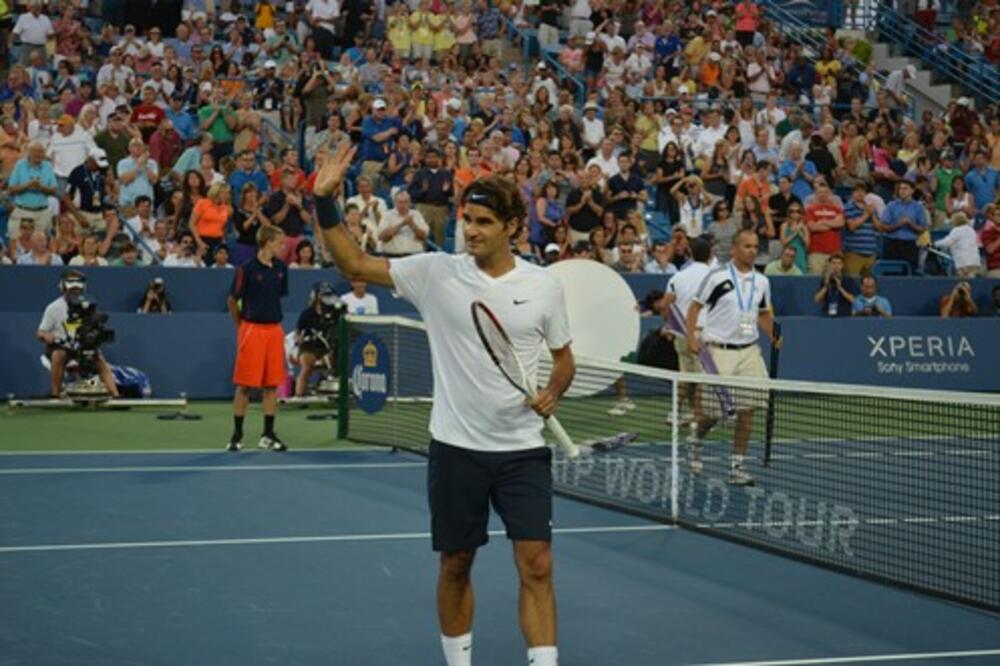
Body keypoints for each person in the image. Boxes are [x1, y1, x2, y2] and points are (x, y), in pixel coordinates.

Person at [313, 143, 574, 666]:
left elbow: (563, 359)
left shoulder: (544, 286)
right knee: (455, 564)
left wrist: (554, 390)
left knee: (538, 565)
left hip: (522, 451)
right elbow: (353, 261)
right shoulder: (435, 272)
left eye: (483, 222)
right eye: (467, 219)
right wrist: (323, 201)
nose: (470, 230)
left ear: (511, 226)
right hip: (456, 449)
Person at [685, 230, 779, 486]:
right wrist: (692, 337)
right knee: (714, 413)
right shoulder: (717, 277)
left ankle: (736, 467)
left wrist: (772, 333)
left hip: (749, 351)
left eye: (755, 247)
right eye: (747, 246)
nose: (752, 251)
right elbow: (694, 307)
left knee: (747, 411)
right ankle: (696, 439)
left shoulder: (762, 281)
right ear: (734, 249)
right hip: (718, 351)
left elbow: (762, 313)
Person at [226, 225, 290, 453]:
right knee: (244, 385)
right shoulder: (246, 269)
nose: (283, 246)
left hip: (274, 331)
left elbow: (277, 297)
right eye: (279, 242)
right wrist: (241, 327)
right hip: (251, 330)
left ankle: (268, 435)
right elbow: (232, 301)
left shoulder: (281, 269)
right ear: (268, 242)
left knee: (272, 385)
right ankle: (237, 435)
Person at [37, 270, 119, 399]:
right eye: (71, 282)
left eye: (78, 283)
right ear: (62, 286)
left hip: (83, 345)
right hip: (61, 346)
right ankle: (55, 394)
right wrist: (47, 336)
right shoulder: (53, 307)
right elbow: (41, 332)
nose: (75, 288)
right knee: (59, 355)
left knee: (100, 359)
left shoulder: (90, 304)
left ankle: (115, 396)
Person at [664, 237, 713, 428]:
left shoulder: (678, 277)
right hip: (703, 333)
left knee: (684, 375)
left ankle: (674, 413)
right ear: (710, 255)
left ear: (690, 253)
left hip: (681, 333)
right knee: (702, 378)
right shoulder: (715, 277)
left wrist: (669, 325)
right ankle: (698, 416)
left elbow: (666, 305)